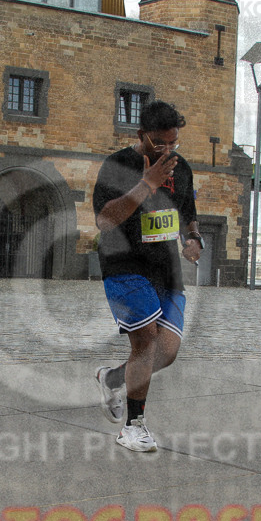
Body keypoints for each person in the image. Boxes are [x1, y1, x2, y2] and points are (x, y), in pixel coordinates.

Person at [92, 101, 201, 452]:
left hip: (165, 268)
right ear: (141, 136)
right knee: (146, 342)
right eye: (159, 143)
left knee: (166, 352)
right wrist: (146, 184)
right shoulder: (117, 165)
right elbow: (105, 220)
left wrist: (193, 237)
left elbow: (188, 213)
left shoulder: (181, 168)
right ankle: (133, 426)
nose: (167, 151)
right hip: (123, 265)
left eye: (173, 143)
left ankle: (111, 379)